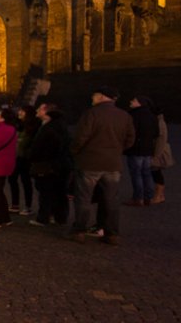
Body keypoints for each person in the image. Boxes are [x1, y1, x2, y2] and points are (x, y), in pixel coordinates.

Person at [68, 86, 134, 246]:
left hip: (90, 162)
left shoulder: (91, 113)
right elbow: (130, 139)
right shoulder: (124, 115)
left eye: (94, 95)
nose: (92, 98)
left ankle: (79, 230)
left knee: (83, 198)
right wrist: (116, 150)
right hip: (113, 163)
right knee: (111, 199)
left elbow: (80, 137)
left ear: (102, 96)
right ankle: (111, 233)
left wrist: (75, 151)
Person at [27, 103, 71, 226]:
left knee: (46, 191)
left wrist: (33, 156)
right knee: (58, 191)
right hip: (59, 164)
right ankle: (59, 216)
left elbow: (42, 147)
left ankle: (44, 217)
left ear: (46, 112)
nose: (37, 110)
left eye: (40, 109)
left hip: (48, 164)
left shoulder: (49, 128)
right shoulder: (58, 125)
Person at [124, 95, 159, 206]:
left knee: (136, 173)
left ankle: (138, 198)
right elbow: (156, 133)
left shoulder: (133, 115)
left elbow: (129, 132)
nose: (131, 101)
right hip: (147, 148)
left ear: (140, 103)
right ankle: (148, 197)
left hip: (135, 148)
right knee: (146, 173)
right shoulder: (152, 116)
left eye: (134, 100)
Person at [10, 104, 40, 216]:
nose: (20, 113)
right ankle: (15, 204)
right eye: (20, 111)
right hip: (16, 156)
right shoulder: (18, 124)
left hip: (25, 158)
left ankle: (28, 206)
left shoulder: (33, 126)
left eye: (22, 111)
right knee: (12, 179)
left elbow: (30, 143)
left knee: (26, 181)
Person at [151, 101, 174, 204]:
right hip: (158, 151)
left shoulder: (159, 123)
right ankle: (160, 195)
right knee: (155, 173)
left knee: (156, 173)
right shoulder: (159, 121)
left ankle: (158, 195)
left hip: (158, 151)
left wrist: (156, 155)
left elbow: (160, 140)